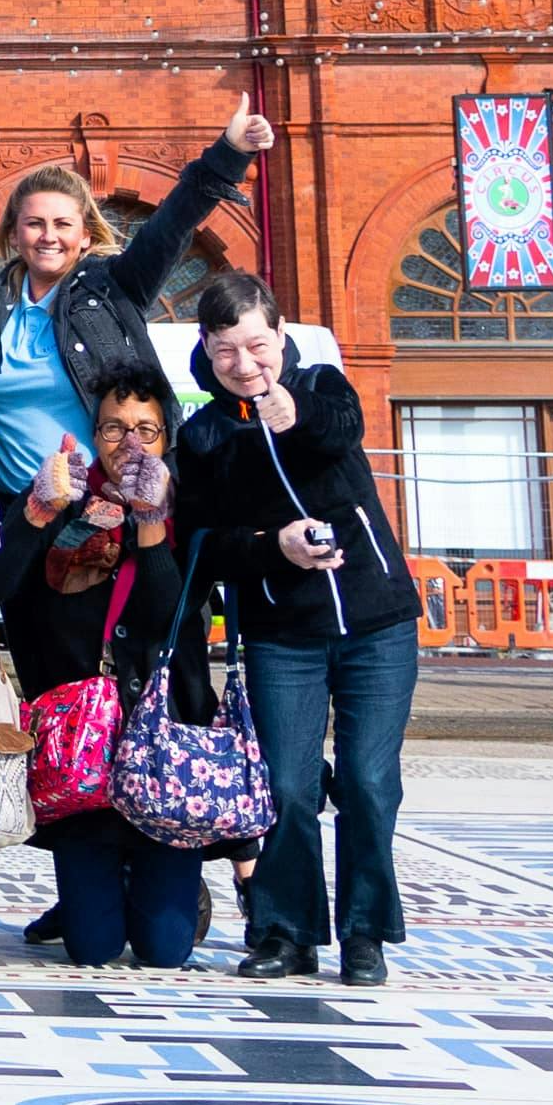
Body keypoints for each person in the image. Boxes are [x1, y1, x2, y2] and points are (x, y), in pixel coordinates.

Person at [172, 274, 415, 986]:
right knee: (286, 785)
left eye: (256, 346)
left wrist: (293, 411)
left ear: (279, 337)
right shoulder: (206, 433)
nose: (244, 365)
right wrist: (270, 548)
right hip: (285, 632)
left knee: (370, 780)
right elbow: (201, 546)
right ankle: (285, 931)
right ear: (206, 353)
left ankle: (364, 932)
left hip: (377, 621)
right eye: (225, 352)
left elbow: (341, 430)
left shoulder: (324, 387)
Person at [1, 362, 212, 969]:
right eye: (114, 429)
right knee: (92, 949)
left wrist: (149, 522)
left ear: (167, 438)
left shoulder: (186, 510)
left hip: (164, 739)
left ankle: (167, 887)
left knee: (164, 951)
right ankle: (102, 889)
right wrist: (37, 513)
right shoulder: (65, 495)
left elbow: (169, 614)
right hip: (82, 744)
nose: (130, 444)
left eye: (146, 430)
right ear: (94, 435)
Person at [0, 107, 272, 514]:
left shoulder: (115, 289)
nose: (48, 236)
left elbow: (171, 225)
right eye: (34, 224)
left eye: (63, 224)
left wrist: (230, 152)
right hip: (18, 523)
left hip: (113, 514)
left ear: (87, 237)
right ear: (13, 233)